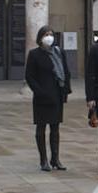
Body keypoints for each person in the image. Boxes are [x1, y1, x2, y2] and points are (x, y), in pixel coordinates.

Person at [27, 25, 72, 172]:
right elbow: (30, 76)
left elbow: (65, 72)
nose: (49, 37)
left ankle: (55, 159)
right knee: (41, 128)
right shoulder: (34, 54)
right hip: (42, 96)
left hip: (57, 95)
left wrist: (65, 91)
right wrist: (39, 92)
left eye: (51, 34)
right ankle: (43, 160)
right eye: (46, 34)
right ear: (40, 37)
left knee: (55, 128)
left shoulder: (59, 52)